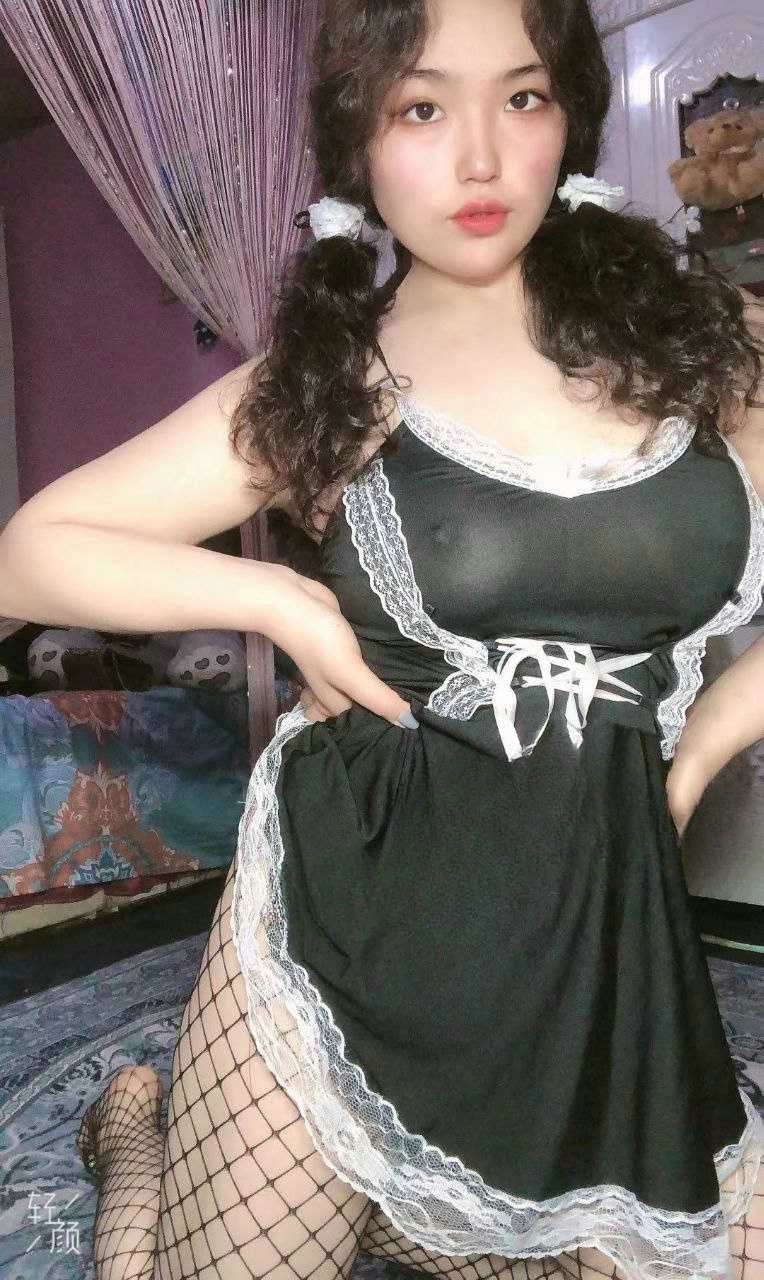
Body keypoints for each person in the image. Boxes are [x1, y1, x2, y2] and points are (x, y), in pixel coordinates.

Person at [1, 0, 763, 1276]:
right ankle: (135, 1134)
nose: (479, 155)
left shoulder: (705, 342)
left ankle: (356, 1189)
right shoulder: (329, 378)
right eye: (420, 107)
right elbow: (31, 549)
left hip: (596, 935)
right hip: (348, 910)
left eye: (520, 97)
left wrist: (698, 747)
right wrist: (277, 598)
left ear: (568, 115)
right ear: (358, 138)